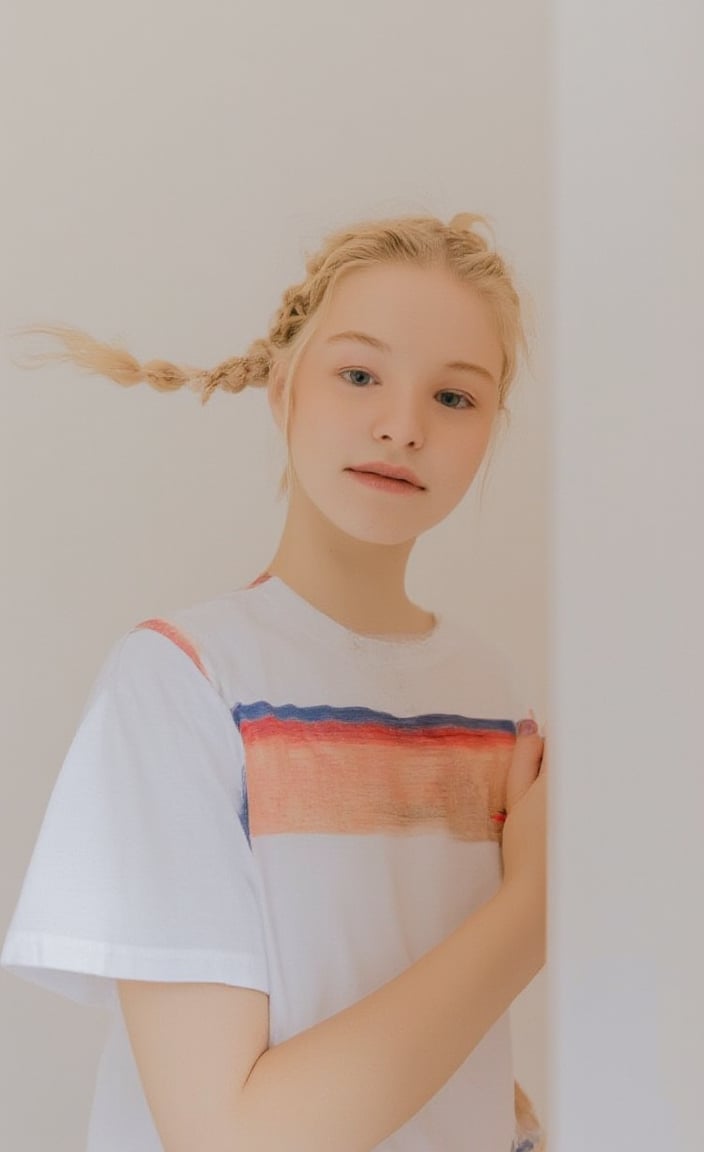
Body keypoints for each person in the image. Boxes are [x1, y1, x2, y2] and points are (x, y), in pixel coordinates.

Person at [1, 212, 548, 1152]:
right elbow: (228, 1135)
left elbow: (419, 1011)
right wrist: (538, 908)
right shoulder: (182, 681)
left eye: (456, 397)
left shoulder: (490, 693)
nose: (401, 425)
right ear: (283, 389)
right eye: (360, 374)